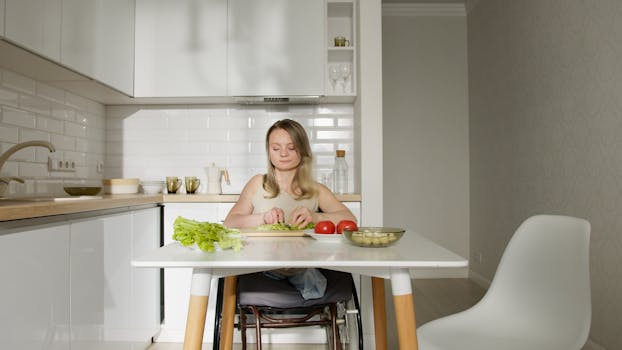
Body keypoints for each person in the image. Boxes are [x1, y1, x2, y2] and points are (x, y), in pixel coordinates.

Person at [224, 118, 356, 299]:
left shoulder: (315, 189)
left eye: (291, 147)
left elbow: (350, 219)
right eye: (276, 148)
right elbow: (230, 222)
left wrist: (315, 217)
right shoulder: (258, 183)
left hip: (303, 266)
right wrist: (262, 218)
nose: (283, 154)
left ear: (303, 150)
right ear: (269, 152)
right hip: (262, 268)